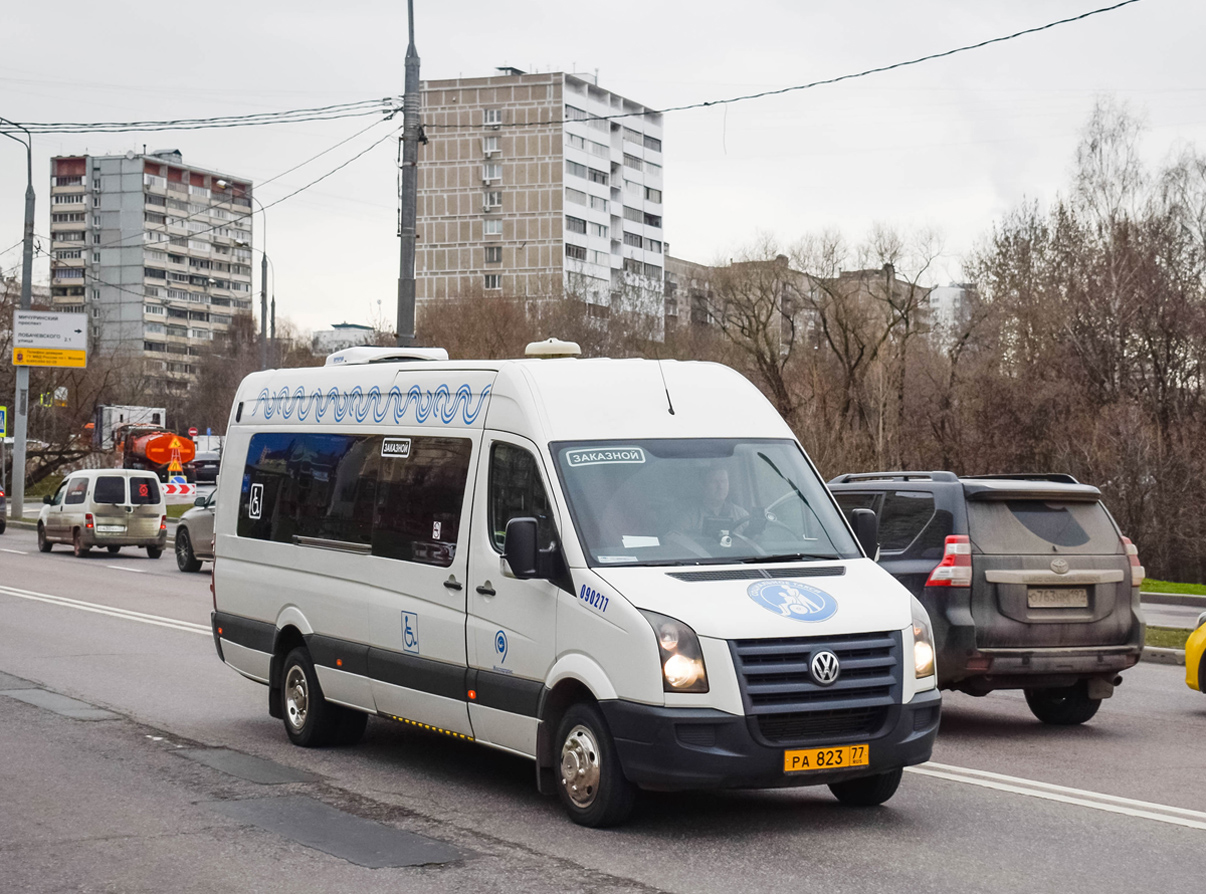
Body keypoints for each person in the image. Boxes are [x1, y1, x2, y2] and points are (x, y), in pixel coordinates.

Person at [671, 465, 748, 535]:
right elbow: (673, 541)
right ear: (703, 486)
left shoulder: (742, 516)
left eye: (724, 481)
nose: (720, 486)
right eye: (714, 482)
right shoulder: (688, 517)